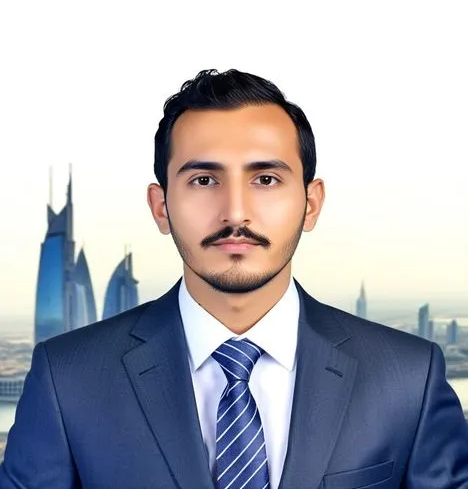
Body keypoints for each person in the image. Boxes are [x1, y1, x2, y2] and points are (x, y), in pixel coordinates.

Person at [1, 69, 468, 489]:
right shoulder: (68, 379)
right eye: (204, 180)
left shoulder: (408, 378)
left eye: (265, 179)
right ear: (161, 206)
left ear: (311, 203)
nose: (236, 212)